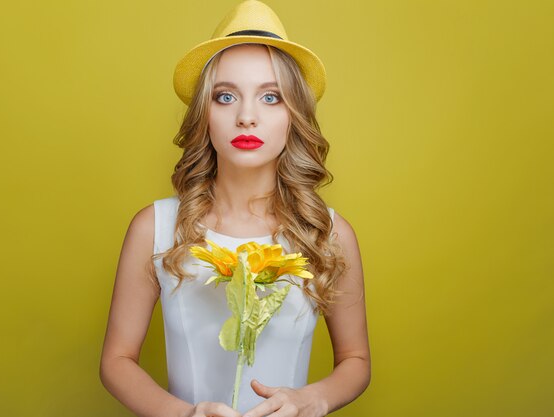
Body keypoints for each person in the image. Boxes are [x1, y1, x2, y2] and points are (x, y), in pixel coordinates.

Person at [99, 1, 371, 416]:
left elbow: (356, 360)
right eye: (226, 96)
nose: (246, 116)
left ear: (293, 115)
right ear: (203, 114)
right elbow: (116, 361)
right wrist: (186, 415)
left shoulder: (329, 234)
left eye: (270, 97)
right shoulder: (154, 228)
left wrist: (312, 398)